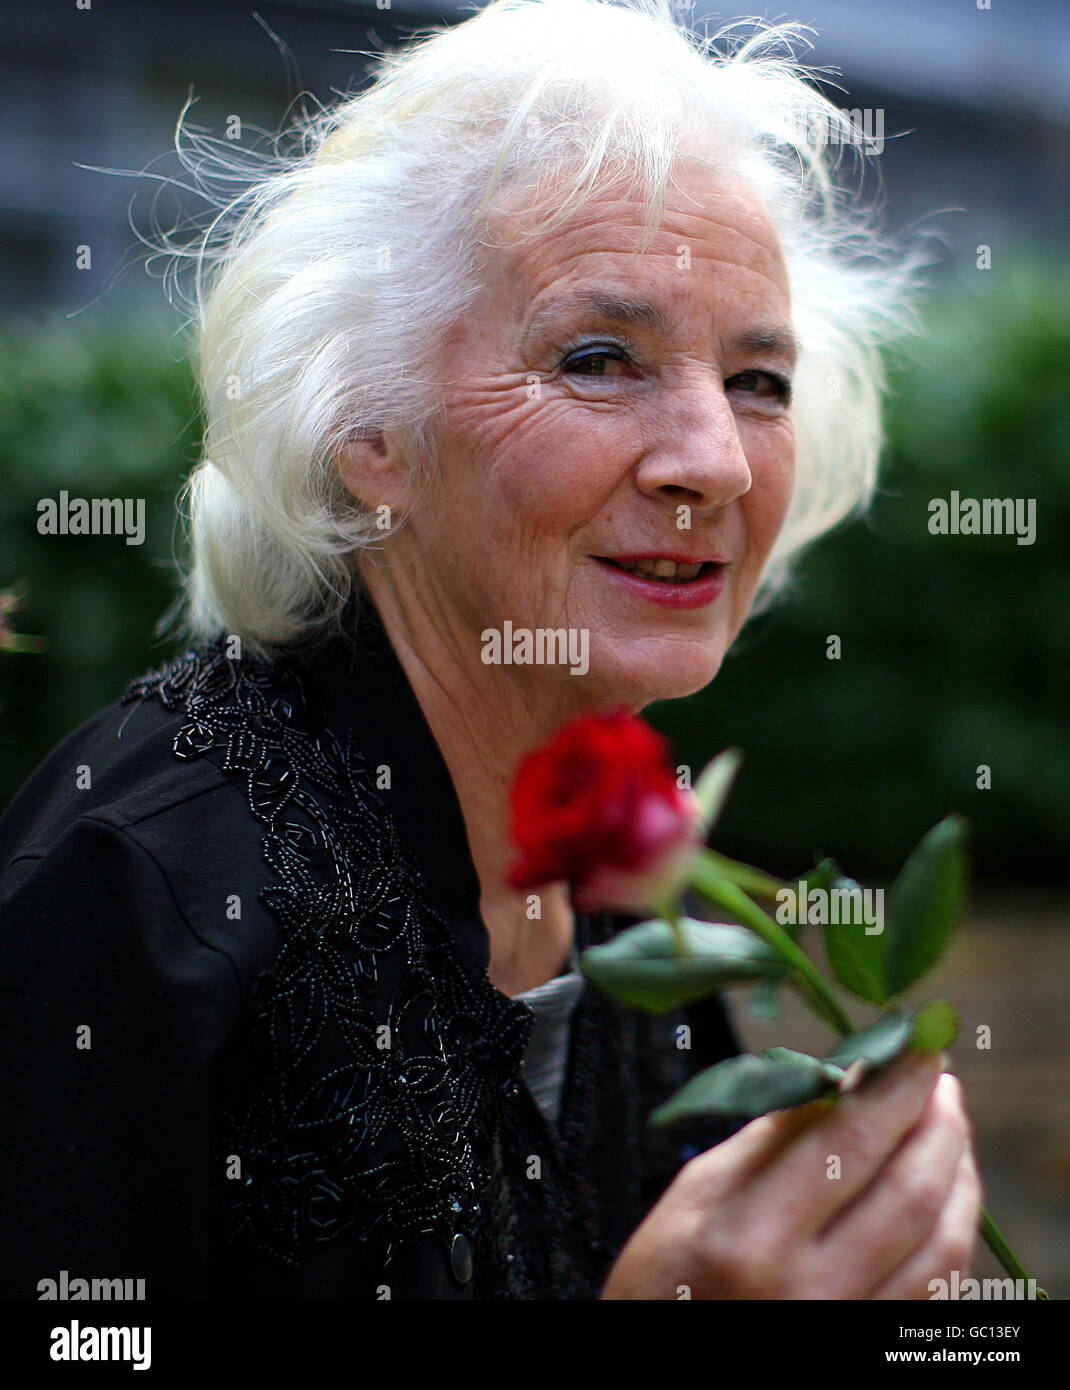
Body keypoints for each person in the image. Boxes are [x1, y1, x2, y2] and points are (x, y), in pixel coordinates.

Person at [0, 0, 980, 1299]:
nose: (713, 457)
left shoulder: (631, 859)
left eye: (758, 379)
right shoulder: (134, 884)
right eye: (597, 357)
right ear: (370, 432)